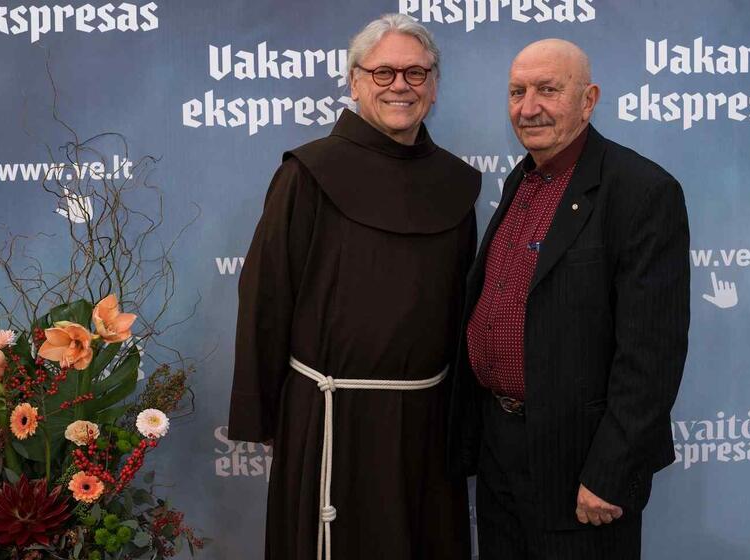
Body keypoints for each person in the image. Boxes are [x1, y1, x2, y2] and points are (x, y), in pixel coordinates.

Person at [228, 13, 479, 560]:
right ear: (355, 81)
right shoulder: (308, 173)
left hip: (426, 424)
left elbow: (463, 314)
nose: (399, 86)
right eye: (383, 72)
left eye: (415, 73)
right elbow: (266, 294)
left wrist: (464, 423)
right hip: (329, 417)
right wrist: (265, 413)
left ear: (434, 86)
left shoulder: (457, 185)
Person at [449, 39, 690, 559]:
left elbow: (652, 353)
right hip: (500, 450)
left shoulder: (641, 190)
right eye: (517, 92)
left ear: (588, 99)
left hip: (581, 465)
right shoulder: (523, 180)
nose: (528, 107)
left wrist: (611, 471)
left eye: (548, 90)